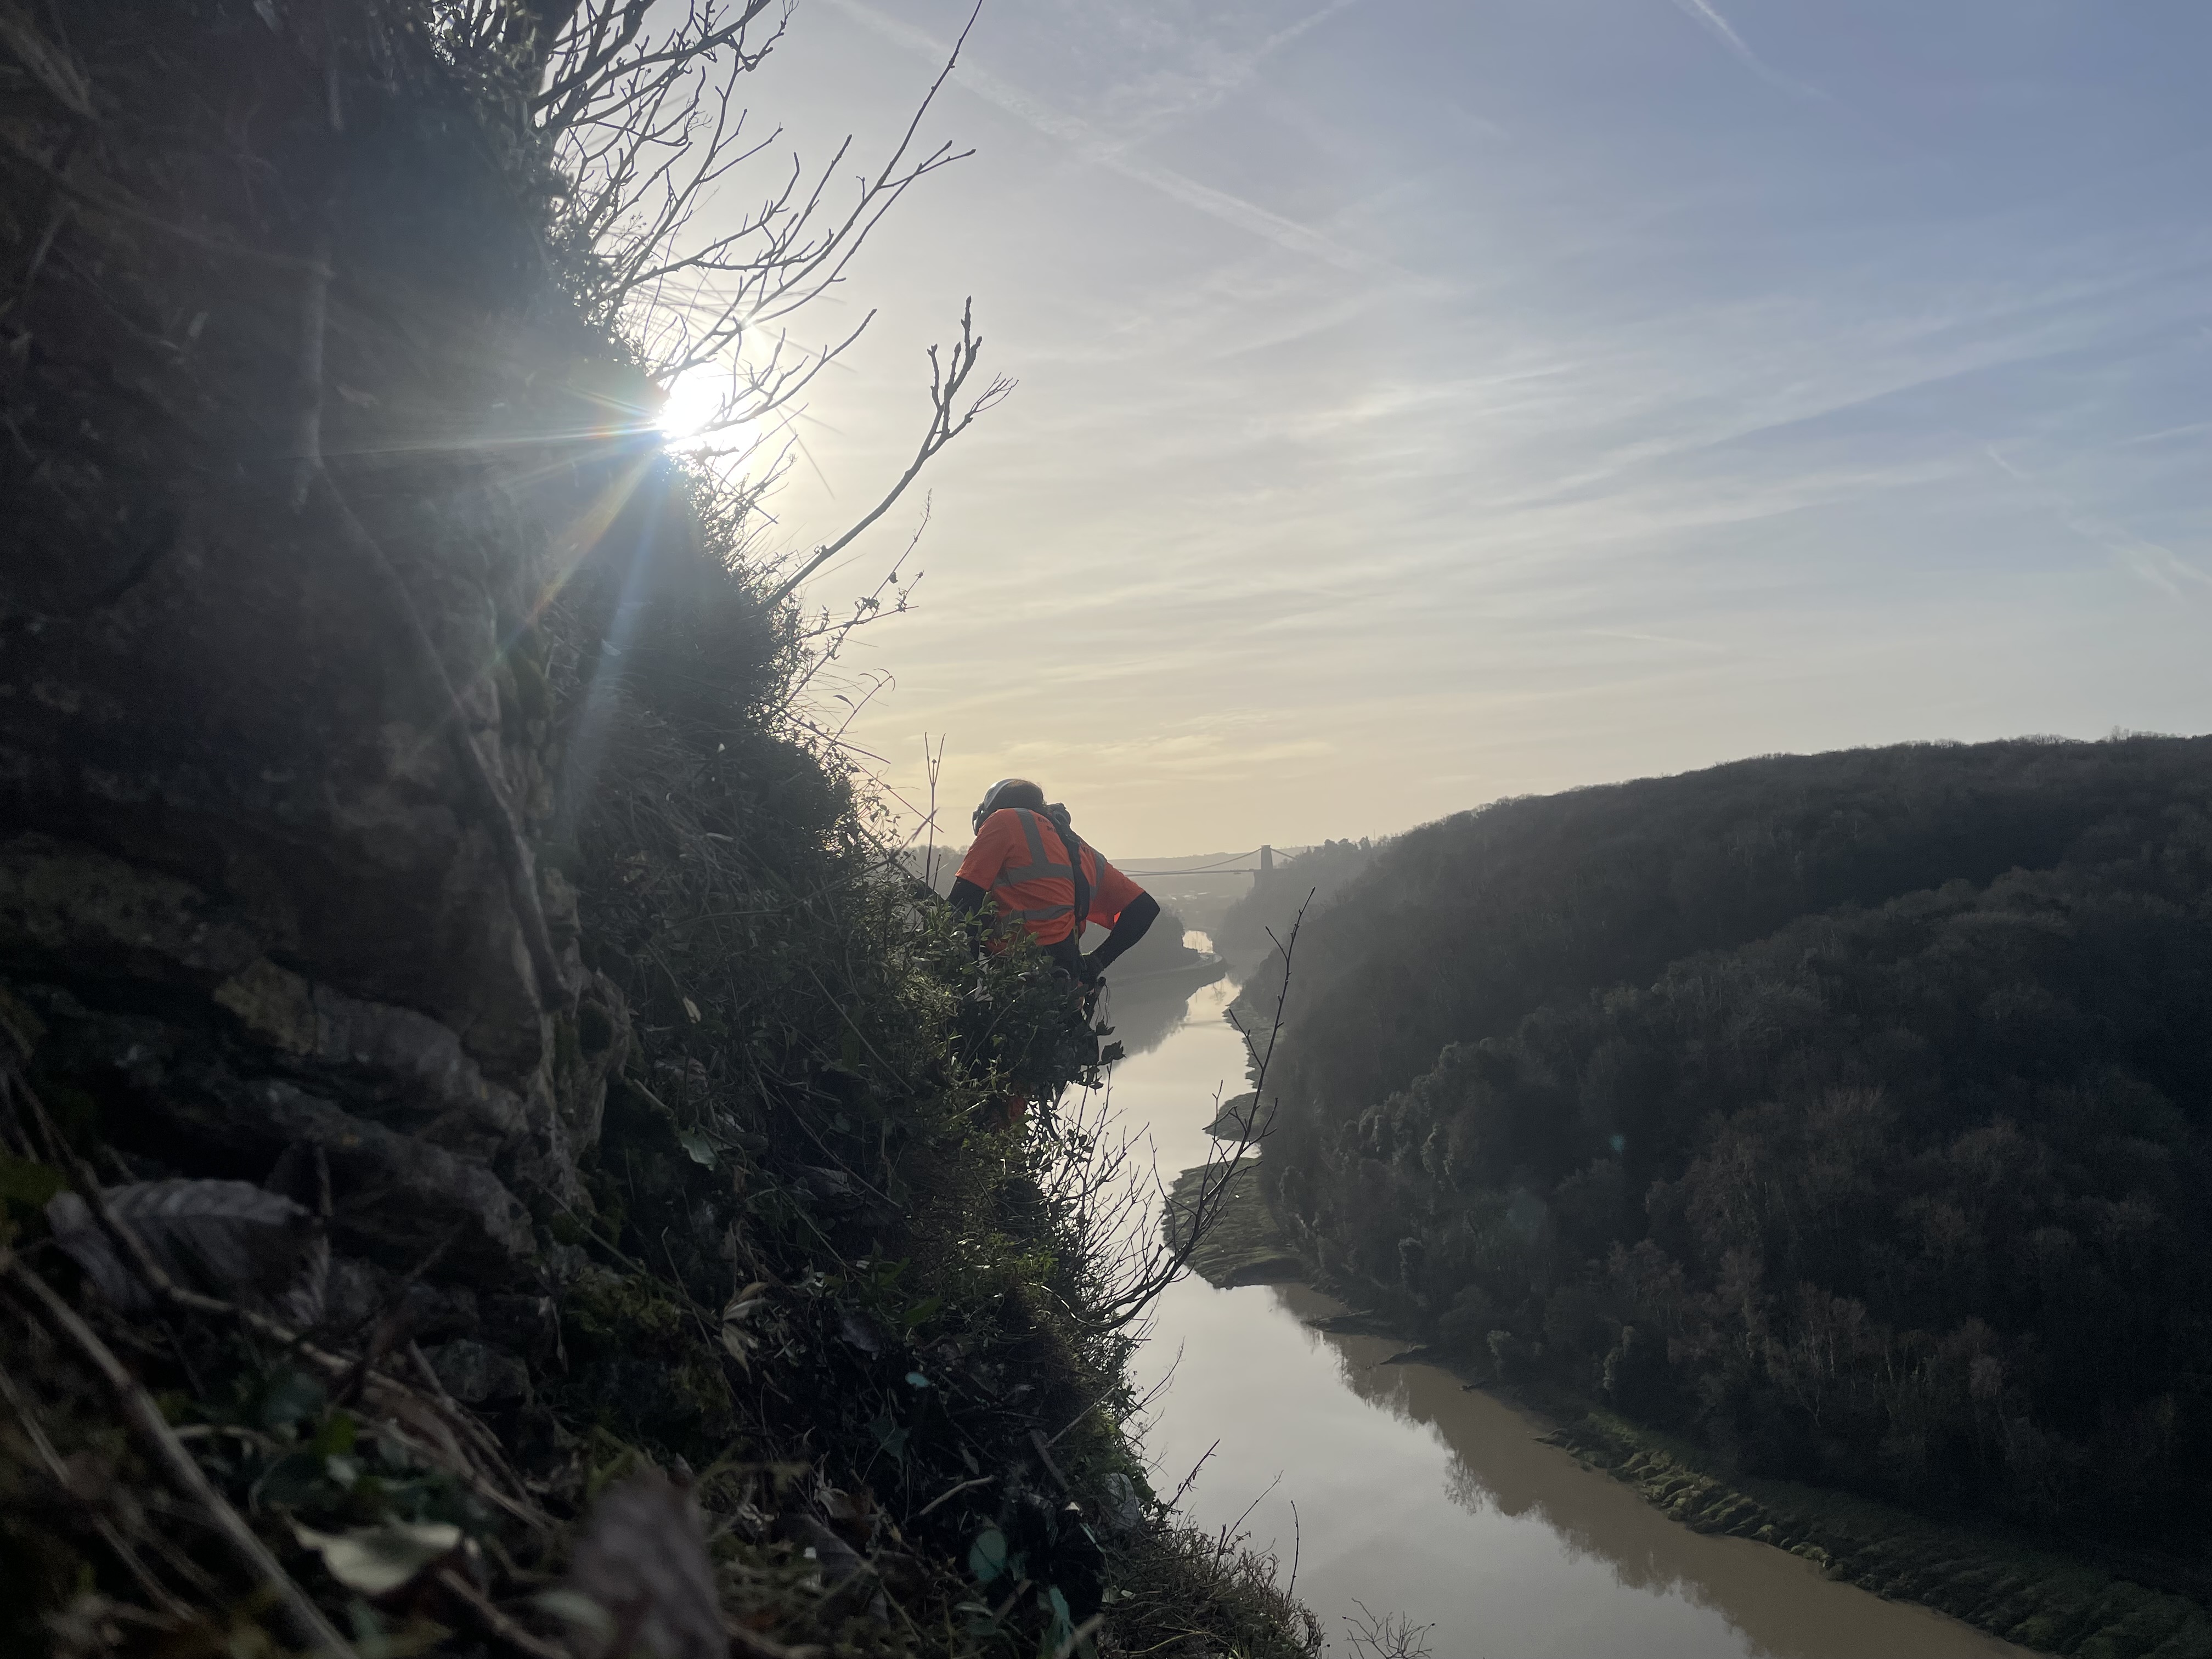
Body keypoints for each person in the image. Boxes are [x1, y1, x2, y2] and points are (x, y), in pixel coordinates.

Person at [949, 779, 1159, 986]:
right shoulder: (1078, 849)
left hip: (1020, 978)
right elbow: (1144, 909)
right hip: (1066, 978)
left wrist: (960, 983)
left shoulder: (1003, 820)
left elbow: (962, 903)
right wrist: (1096, 963)